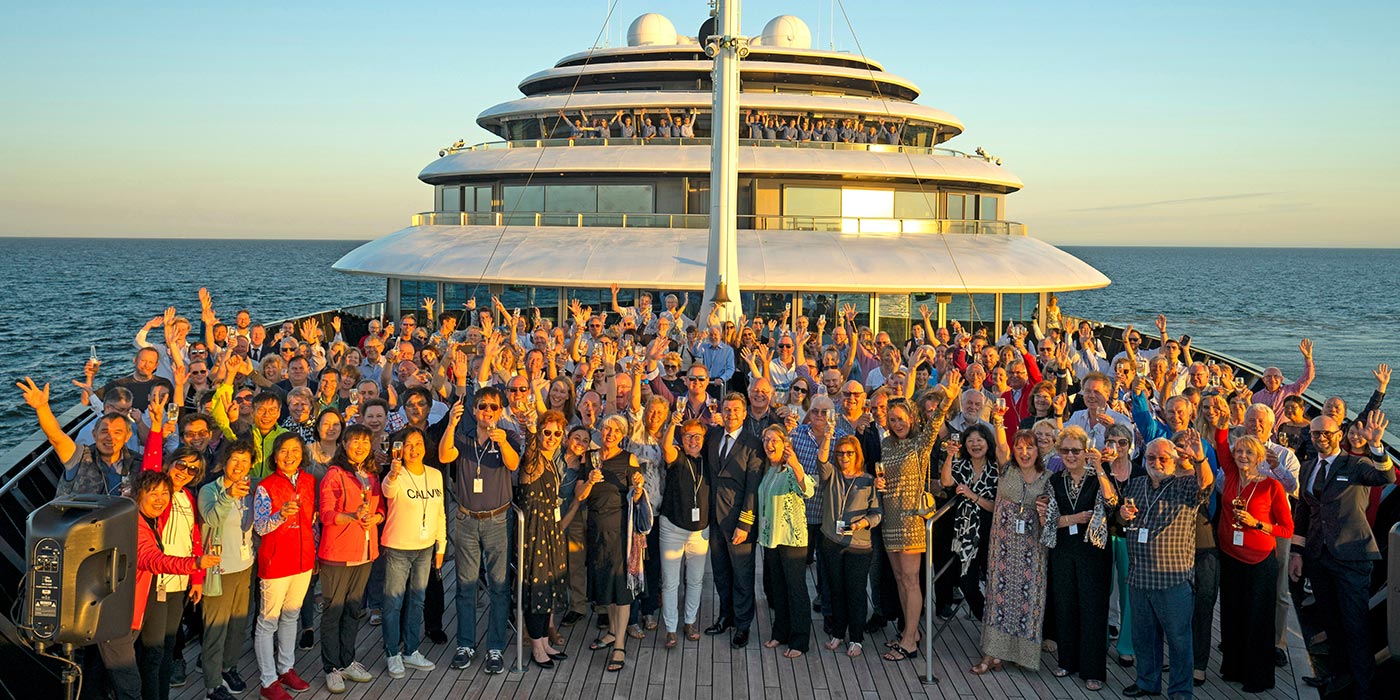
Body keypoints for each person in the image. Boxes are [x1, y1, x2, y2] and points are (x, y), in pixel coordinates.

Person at [1289, 412, 1393, 700]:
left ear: (1339, 435)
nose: (1320, 438)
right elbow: (1304, 512)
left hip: (1352, 557)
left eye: (1326, 433)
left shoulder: (1356, 463)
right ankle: (1336, 675)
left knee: (1355, 623)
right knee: (1330, 620)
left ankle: (1364, 688)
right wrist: (1297, 552)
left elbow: (1386, 475)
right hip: (1318, 557)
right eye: (1315, 433)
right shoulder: (1307, 468)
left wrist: (1376, 447)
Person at [1118, 435, 1214, 700]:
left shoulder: (1184, 486)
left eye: (1162, 458)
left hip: (1172, 579)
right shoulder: (1136, 484)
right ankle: (1147, 681)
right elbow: (1121, 518)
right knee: (1144, 638)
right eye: (1151, 457)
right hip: (1139, 576)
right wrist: (1122, 515)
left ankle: (1181, 692)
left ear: (1173, 461)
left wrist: (1200, 459)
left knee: (1179, 640)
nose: (1156, 462)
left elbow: (1206, 485)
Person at [439, 384, 521, 675]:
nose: (487, 412)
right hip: (466, 519)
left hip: (498, 519)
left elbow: (513, 464)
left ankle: (495, 648)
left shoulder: (508, 435)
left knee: (499, 587)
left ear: (500, 411)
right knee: (466, 585)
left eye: (493, 407)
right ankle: (465, 644)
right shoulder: (463, 435)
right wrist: (450, 424)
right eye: (482, 406)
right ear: (474, 411)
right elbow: (445, 456)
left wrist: (503, 442)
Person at [878, 369, 958, 661]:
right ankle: (909, 631)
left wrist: (947, 399)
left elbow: (936, 420)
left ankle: (910, 640)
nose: (897, 423)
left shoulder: (920, 444)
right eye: (892, 419)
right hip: (890, 516)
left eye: (901, 418)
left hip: (912, 518)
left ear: (912, 419)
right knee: (900, 578)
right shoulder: (886, 445)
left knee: (911, 580)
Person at [1213, 434, 1293, 693]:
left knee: (1257, 619)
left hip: (1260, 561)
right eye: (1239, 452)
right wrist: (1221, 415)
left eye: (1248, 452)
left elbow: (1287, 528)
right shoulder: (1232, 476)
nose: (1242, 456)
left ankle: (1257, 676)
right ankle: (1233, 667)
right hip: (1230, 556)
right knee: (1232, 613)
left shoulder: (1272, 486)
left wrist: (1257, 524)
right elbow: (1221, 441)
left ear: (1259, 457)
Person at [131, 470, 221, 700]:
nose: (160, 499)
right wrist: (196, 564)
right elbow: (153, 559)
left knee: (162, 651)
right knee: (151, 655)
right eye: (153, 493)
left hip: (167, 588)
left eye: (164, 493)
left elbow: (194, 537)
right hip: (143, 598)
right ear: (138, 494)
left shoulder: (155, 518)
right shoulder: (138, 525)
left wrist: (196, 575)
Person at [1041, 426, 1116, 691]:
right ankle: (1067, 661)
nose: (1071, 455)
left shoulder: (1098, 479)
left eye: (1076, 450)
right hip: (1063, 550)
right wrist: (1072, 519)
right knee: (1065, 606)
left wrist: (1101, 470)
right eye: (1065, 450)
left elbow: (1111, 503)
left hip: (1093, 553)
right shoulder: (1055, 480)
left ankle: (1093, 670)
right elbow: (1047, 521)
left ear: (1086, 451)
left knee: (1093, 610)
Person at [575, 414, 651, 673]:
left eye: (616, 431)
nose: (610, 434)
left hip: (621, 529)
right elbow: (580, 495)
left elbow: (638, 492)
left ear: (623, 435)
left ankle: (619, 644)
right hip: (596, 527)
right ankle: (610, 631)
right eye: (607, 429)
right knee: (604, 580)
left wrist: (638, 488)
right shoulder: (591, 457)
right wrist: (589, 482)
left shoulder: (629, 458)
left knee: (621, 586)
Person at [973, 429, 1050, 673]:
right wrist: (998, 420)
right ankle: (991, 654)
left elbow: (1050, 517)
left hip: (1033, 548)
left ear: (1039, 450)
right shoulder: (1006, 469)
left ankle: (1022, 655)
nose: (1024, 452)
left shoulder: (1048, 478)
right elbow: (1000, 447)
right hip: (1003, 547)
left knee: (1029, 600)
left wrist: (1044, 512)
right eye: (1020, 447)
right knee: (999, 598)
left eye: (1030, 447)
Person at [252, 433, 318, 700]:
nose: (289, 455)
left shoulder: (309, 481)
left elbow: (312, 521)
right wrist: (281, 515)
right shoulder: (265, 486)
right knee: (267, 622)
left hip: (303, 560)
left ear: (302, 454)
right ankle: (268, 681)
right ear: (275, 455)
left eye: (294, 450)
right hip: (276, 561)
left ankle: (285, 668)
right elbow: (260, 526)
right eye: (283, 451)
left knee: (291, 616)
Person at [317, 424, 383, 690]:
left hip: (365, 552)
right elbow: (327, 515)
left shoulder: (370, 474)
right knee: (334, 611)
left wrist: (375, 517)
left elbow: (381, 510)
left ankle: (348, 660)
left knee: (353, 609)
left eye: (365, 442)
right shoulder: (335, 474)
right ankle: (331, 666)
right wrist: (352, 517)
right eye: (354, 441)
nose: (360, 446)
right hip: (338, 553)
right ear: (344, 444)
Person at [379, 425, 446, 674]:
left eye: (418, 443)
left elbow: (440, 512)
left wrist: (442, 545)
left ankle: (411, 650)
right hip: (398, 546)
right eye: (408, 445)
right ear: (400, 449)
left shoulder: (435, 474)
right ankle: (392, 653)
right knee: (394, 603)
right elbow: (388, 491)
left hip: (425, 547)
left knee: (417, 601)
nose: (413, 449)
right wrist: (393, 474)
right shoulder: (395, 474)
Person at [703, 392, 764, 649]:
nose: (730, 414)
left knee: (742, 574)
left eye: (736, 410)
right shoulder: (713, 436)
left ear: (744, 412)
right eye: (727, 410)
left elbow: (753, 487)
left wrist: (745, 523)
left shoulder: (753, 443)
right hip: (715, 518)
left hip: (738, 520)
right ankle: (725, 616)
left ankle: (743, 624)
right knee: (721, 573)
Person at [198, 440, 257, 700]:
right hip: (219, 570)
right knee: (216, 628)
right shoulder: (210, 490)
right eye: (235, 460)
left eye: (245, 461)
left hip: (245, 566)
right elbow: (211, 519)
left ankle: (228, 668)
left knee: (238, 626)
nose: (239, 466)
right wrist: (229, 495)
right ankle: (212, 683)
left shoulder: (252, 488)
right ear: (224, 462)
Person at [513, 411, 570, 668]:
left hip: (551, 528)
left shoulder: (552, 462)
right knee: (536, 587)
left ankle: (545, 641)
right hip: (534, 531)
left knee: (549, 586)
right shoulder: (534, 462)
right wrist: (531, 429)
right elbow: (531, 451)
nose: (552, 437)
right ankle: (536, 647)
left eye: (557, 433)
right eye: (547, 432)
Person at [817, 434, 882, 657]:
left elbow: (877, 514)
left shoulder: (868, 480)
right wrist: (827, 435)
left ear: (857, 455)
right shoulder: (830, 474)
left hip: (858, 546)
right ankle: (837, 633)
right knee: (836, 590)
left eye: (849, 453)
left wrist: (863, 523)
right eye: (840, 453)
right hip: (832, 541)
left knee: (855, 592)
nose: (844, 457)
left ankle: (856, 638)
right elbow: (821, 459)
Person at [754, 425, 815, 658]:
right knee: (777, 588)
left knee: (796, 589)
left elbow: (807, 489)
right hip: (771, 539)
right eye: (766, 439)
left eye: (774, 440)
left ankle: (800, 640)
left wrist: (797, 466)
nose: (770, 444)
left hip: (792, 539)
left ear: (784, 444)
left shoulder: (790, 469)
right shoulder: (768, 470)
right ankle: (780, 632)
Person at [658, 415, 712, 649]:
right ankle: (671, 628)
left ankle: (689, 622)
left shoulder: (709, 460)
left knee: (695, 580)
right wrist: (673, 425)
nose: (693, 440)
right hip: (672, 528)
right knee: (671, 582)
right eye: (688, 435)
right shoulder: (676, 456)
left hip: (700, 531)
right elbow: (666, 446)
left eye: (697, 436)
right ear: (682, 437)